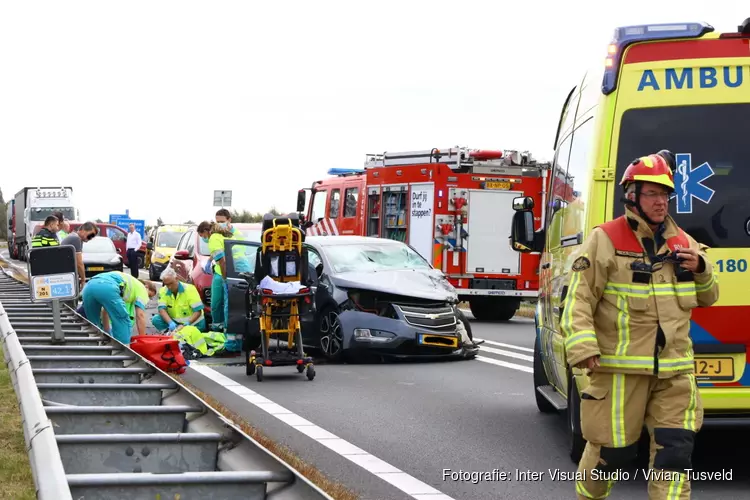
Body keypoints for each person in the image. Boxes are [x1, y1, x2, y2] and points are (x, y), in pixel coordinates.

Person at [563, 150, 719, 500]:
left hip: (676, 372)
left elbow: (709, 296)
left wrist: (702, 269)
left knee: (675, 455)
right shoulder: (605, 240)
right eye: (652, 193)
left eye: (665, 194)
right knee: (611, 455)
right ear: (631, 195)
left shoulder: (684, 243)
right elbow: (579, 299)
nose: (661, 201)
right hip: (619, 372)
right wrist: (583, 348)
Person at [82, 271, 157, 344]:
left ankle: (97, 349)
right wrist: (143, 339)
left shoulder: (125, 285)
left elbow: (104, 311)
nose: (148, 299)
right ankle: (122, 351)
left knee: (94, 326)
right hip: (107, 285)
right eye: (149, 295)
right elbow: (140, 315)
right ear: (146, 287)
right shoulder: (142, 289)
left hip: (89, 285)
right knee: (123, 321)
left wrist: (107, 333)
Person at [152, 267, 207, 332]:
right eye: (167, 285)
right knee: (156, 320)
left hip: (194, 323)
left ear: (176, 279)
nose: (169, 287)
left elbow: (198, 312)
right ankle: (169, 334)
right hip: (176, 323)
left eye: (171, 283)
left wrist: (186, 325)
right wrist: (170, 323)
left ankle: (176, 335)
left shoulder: (190, 289)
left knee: (186, 336)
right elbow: (161, 310)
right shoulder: (163, 290)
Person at [61, 221, 99, 291]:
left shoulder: (76, 237)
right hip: (64, 275)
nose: (91, 238)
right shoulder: (76, 238)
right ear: (83, 230)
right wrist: (83, 280)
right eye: (91, 235)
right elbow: (79, 263)